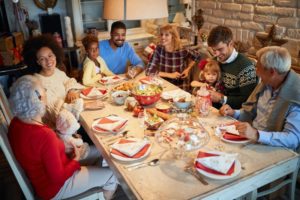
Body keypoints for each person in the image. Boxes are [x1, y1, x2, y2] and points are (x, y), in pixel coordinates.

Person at [8, 75, 117, 199]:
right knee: (113, 175)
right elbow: (58, 177)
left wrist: (61, 147)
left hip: (49, 172)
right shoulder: (44, 135)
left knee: (102, 151)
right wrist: (76, 160)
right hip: (54, 188)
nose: (46, 93)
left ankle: (95, 181)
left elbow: (38, 150)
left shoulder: (16, 123)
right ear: (39, 99)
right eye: (45, 90)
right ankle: (101, 188)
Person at [219, 46, 300, 151]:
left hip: (276, 150)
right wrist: (234, 113)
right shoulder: (267, 84)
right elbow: (251, 112)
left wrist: (257, 135)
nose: (256, 72)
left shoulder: (296, 95)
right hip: (252, 140)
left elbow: (292, 139)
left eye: (258, 68)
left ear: (272, 72)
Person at [22, 34, 84, 128]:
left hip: (71, 122)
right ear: (37, 62)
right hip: (57, 130)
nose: (48, 60)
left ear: (55, 55)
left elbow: (69, 81)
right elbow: (55, 113)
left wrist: (70, 91)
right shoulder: (37, 83)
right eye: (42, 59)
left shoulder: (57, 72)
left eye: (50, 55)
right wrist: (82, 105)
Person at [207, 25, 257, 109]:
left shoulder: (245, 66)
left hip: (233, 114)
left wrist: (222, 99)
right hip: (212, 109)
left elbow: (248, 101)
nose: (217, 54)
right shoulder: (215, 60)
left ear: (231, 44)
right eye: (214, 50)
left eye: (220, 49)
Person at [146, 24, 200, 90]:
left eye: (166, 35)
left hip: (180, 86)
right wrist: (170, 75)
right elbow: (149, 71)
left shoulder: (181, 50)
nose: (163, 37)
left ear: (173, 37)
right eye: (161, 34)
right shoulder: (159, 49)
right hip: (164, 84)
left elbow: (197, 56)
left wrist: (187, 69)